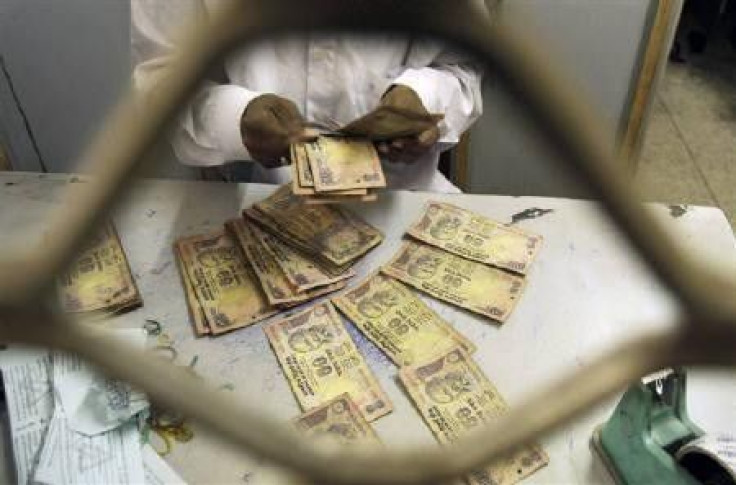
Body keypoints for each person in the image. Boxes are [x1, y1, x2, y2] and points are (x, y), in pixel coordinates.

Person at [131, 0, 485, 193]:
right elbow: (162, 74)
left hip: (403, 203)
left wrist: (426, 97)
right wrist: (231, 118)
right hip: (247, 203)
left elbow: (465, 67)